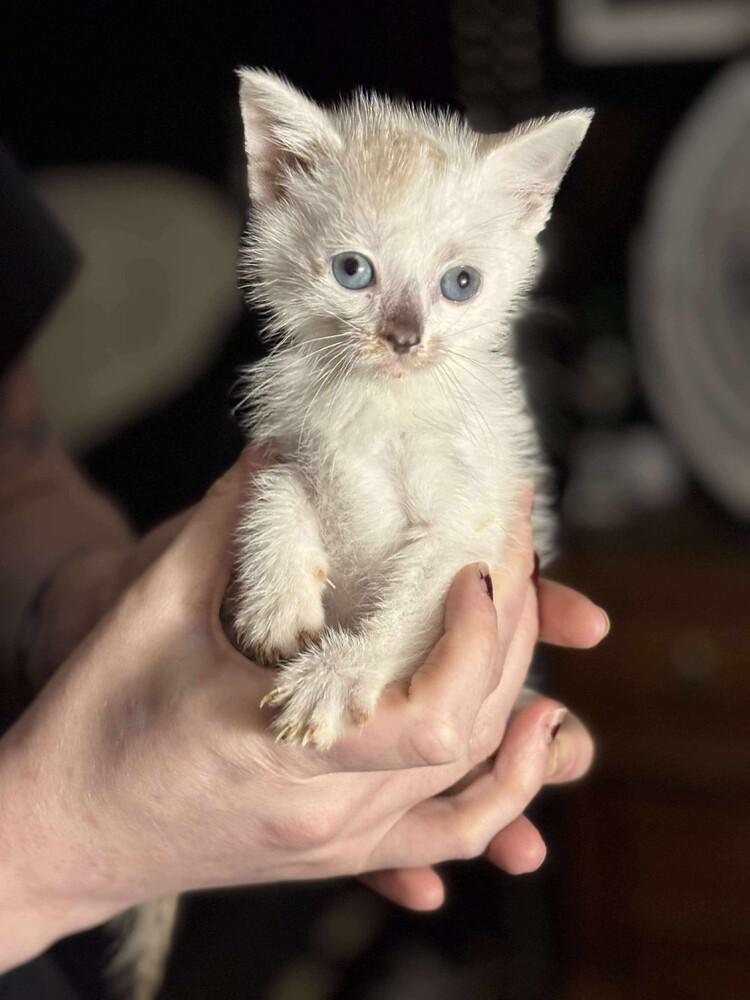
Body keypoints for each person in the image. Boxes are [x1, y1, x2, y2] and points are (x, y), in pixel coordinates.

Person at [0, 143, 607, 986]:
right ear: (278, 194)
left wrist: (75, 610)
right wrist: (70, 851)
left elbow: (11, 473)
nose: (404, 330)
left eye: (456, 284)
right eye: (354, 268)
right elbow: (297, 488)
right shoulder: (311, 377)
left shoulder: (466, 408)